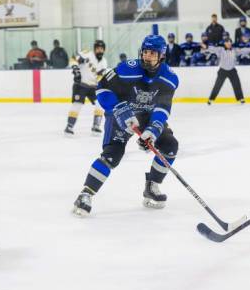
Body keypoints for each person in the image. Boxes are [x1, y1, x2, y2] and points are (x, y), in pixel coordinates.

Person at [72, 34, 179, 216]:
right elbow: (102, 89)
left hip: (146, 117)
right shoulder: (127, 69)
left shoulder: (169, 78)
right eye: (145, 52)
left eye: (152, 53)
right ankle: (85, 194)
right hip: (120, 113)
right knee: (112, 155)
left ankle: (152, 186)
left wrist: (153, 130)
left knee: (170, 146)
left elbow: (162, 108)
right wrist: (119, 108)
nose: (147, 56)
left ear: (162, 56)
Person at [64, 40, 108, 136]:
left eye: (101, 49)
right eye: (98, 49)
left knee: (100, 104)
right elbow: (73, 58)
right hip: (81, 85)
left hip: (93, 87)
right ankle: (69, 126)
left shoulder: (104, 62)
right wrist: (76, 69)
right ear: (94, 49)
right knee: (77, 104)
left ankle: (96, 126)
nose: (99, 51)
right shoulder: (87, 54)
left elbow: (100, 77)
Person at [208, 37, 245, 105]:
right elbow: (212, 49)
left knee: (237, 84)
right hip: (222, 70)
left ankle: (240, 98)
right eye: (227, 42)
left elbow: (243, 50)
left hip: (232, 70)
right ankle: (211, 99)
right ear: (224, 43)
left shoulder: (234, 50)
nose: (229, 43)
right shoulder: (220, 49)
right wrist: (206, 46)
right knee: (217, 85)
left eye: (230, 42)